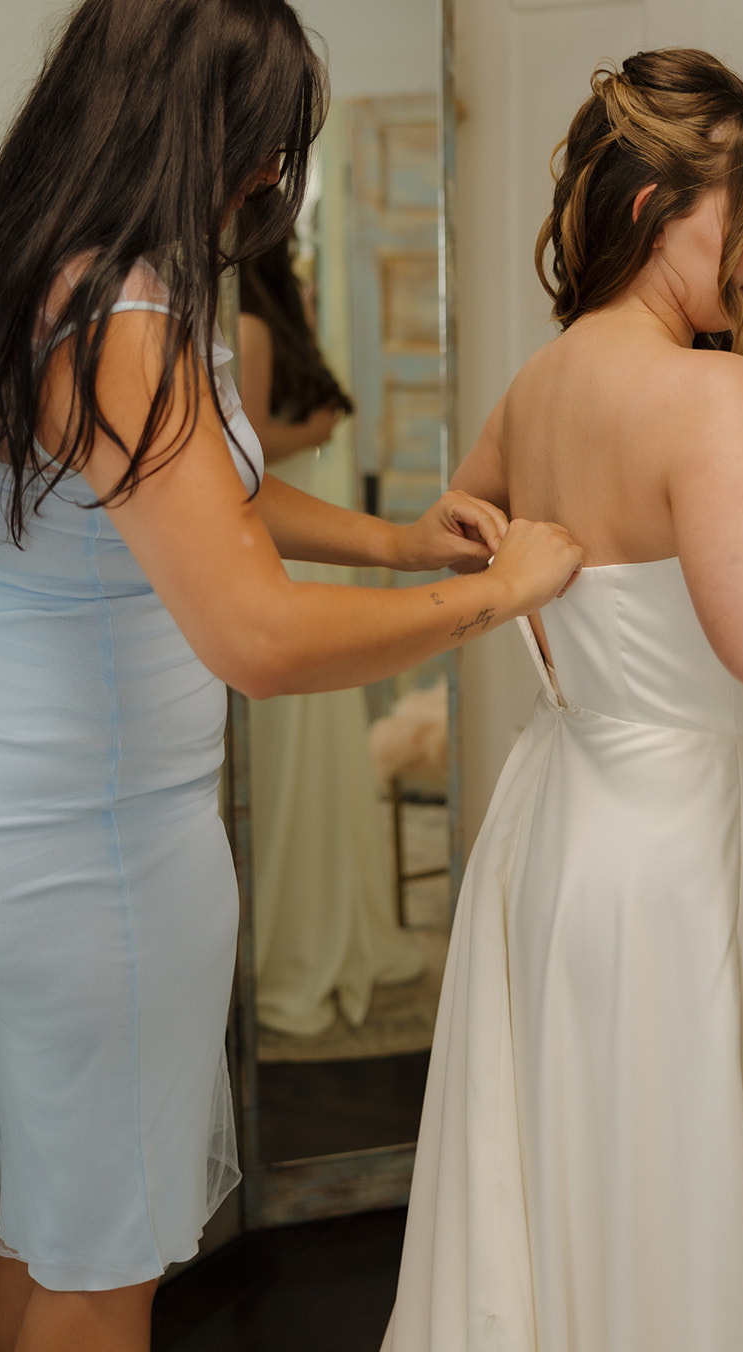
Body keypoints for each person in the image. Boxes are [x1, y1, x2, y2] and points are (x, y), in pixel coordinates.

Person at [0, 0, 582, 1352]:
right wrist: (498, 597)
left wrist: (400, 542)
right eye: (264, 140)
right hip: (88, 845)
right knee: (107, 1256)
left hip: (6, 806)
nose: (270, 174)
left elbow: (203, 495)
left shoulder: (55, 269)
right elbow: (254, 639)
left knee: (53, 1217)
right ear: (199, 125)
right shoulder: (127, 313)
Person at [381, 48, 743, 1351]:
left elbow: (463, 530)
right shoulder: (710, 393)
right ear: (658, 212)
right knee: (687, 1173)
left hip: (557, 829)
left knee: (569, 1168)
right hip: (688, 851)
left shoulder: (537, 383)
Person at [235, 206, 425, 1036]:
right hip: (281, 544)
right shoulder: (250, 322)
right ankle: (295, 934)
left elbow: (238, 451)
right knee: (293, 741)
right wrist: (318, 425)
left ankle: (310, 926)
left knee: (308, 740)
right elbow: (247, 450)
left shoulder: (258, 320)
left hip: (294, 541)